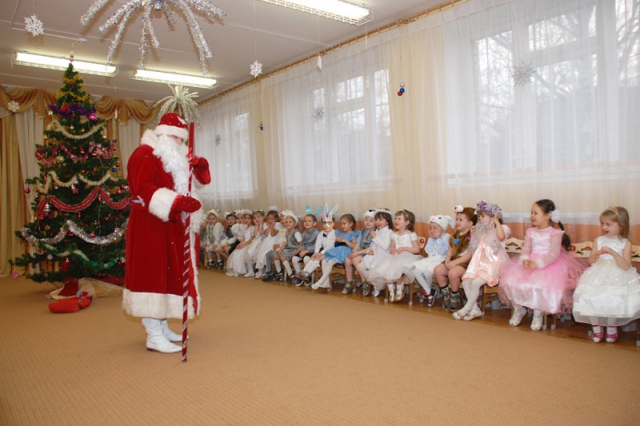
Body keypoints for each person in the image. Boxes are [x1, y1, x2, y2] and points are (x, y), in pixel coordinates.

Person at [123, 112, 211, 354]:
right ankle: (153, 334)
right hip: (149, 225)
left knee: (169, 273)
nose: (179, 143)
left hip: (171, 224)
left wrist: (199, 166)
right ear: (161, 133)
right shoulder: (144, 154)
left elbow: (195, 181)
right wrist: (177, 202)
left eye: (182, 139)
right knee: (153, 275)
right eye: (175, 137)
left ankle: (161, 327)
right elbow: (143, 188)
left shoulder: (174, 157)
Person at [499, 199, 585, 331]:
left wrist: (537, 264)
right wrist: (525, 260)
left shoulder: (555, 233)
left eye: (536, 213)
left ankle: (537, 314)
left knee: (538, 285)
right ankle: (519, 309)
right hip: (530, 262)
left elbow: (553, 255)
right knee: (510, 281)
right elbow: (526, 249)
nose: (532, 216)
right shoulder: (530, 232)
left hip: (549, 264)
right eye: (531, 212)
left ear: (547, 216)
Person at [572, 206, 640, 343]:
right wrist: (596, 254)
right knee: (588, 296)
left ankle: (611, 327)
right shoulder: (599, 240)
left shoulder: (625, 243)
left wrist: (614, 253)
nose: (604, 227)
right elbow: (590, 261)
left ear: (621, 225)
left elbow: (626, 266)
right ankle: (596, 327)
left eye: (608, 224)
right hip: (598, 273)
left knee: (612, 298)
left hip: (618, 274)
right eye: (603, 223)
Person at [452, 201, 511, 321]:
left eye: (482, 216)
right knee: (467, 281)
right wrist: (473, 235)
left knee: (476, 283)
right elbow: (474, 250)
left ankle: (466, 309)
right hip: (480, 263)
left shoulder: (503, 228)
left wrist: (496, 222)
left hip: (494, 264)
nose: (479, 219)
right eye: (479, 216)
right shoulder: (481, 231)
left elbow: (501, 237)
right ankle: (475, 309)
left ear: (493, 217)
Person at [366, 209, 422, 302]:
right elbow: (392, 247)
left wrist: (404, 248)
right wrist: (393, 250)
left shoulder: (411, 235)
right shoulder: (394, 235)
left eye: (399, 219)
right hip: (396, 256)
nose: (396, 221)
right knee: (385, 266)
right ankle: (391, 289)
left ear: (407, 222)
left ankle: (400, 288)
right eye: (395, 218)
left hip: (407, 257)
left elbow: (416, 249)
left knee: (397, 267)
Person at [433, 205, 477, 311]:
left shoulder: (473, 236)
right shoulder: (455, 234)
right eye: (457, 219)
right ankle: (446, 294)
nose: (457, 222)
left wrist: (455, 262)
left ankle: (455, 296)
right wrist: (448, 259)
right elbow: (450, 249)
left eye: (461, 220)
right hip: (454, 260)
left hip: (466, 263)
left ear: (470, 223)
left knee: (452, 273)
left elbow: (469, 255)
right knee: (437, 270)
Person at [404, 214, 454, 306]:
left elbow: (443, 252)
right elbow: (428, 251)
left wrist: (438, 239)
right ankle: (429, 292)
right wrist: (431, 239)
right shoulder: (432, 237)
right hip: (431, 259)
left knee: (427, 272)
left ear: (442, 229)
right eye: (430, 228)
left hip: (441, 260)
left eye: (435, 228)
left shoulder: (447, 237)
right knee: (415, 269)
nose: (432, 230)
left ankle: (429, 291)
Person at [311, 213, 359, 290]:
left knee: (329, 262)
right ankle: (326, 282)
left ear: (351, 224)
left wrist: (345, 241)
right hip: (337, 252)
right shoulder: (339, 233)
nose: (342, 225)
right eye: (341, 224)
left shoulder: (354, 234)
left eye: (344, 223)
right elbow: (333, 242)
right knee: (324, 260)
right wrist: (337, 239)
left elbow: (354, 246)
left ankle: (321, 281)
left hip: (346, 253)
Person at [295, 206, 338, 285]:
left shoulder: (334, 233)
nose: (326, 225)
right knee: (314, 257)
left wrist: (320, 253)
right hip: (323, 252)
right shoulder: (321, 233)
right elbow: (318, 243)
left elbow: (331, 246)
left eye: (329, 223)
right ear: (321, 224)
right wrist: (316, 252)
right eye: (324, 223)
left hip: (332, 252)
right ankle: (305, 272)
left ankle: (307, 272)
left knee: (318, 257)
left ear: (333, 224)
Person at [358, 208, 393, 297]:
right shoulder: (377, 231)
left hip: (383, 257)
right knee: (360, 267)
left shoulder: (389, 232)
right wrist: (370, 251)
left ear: (387, 221)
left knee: (375, 271)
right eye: (376, 219)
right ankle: (375, 285)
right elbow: (373, 245)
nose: (378, 222)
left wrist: (375, 237)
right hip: (374, 255)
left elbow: (385, 246)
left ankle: (378, 287)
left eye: (380, 219)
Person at [343, 209, 376, 294]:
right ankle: (350, 281)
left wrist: (357, 253)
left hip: (368, 253)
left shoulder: (376, 232)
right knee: (347, 260)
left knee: (355, 259)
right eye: (366, 220)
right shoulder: (363, 230)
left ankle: (364, 281)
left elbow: (372, 248)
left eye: (371, 221)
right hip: (360, 252)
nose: (367, 222)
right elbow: (358, 242)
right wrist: (354, 251)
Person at [262, 211, 302, 281]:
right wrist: (280, 248)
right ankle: (279, 272)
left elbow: (300, 243)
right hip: (287, 248)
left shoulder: (295, 232)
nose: (287, 223)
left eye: (290, 222)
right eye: (286, 222)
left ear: (295, 224)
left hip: (293, 249)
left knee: (280, 256)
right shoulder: (286, 231)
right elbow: (284, 241)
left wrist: (297, 252)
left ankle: (290, 274)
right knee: (272, 254)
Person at [292, 213, 320, 286]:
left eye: (309, 221)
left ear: (314, 223)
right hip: (305, 251)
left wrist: (306, 251)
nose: (306, 222)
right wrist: (301, 250)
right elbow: (302, 244)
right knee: (294, 258)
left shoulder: (316, 233)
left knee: (306, 259)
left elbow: (317, 245)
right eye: (305, 221)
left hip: (312, 252)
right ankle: (300, 276)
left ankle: (308, 276)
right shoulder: (305, 233)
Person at [254, 210, 281, 279]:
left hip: (272, 242)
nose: (270, 220)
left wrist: (272, 226)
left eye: (272, 219)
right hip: (266, 242)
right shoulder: (266, 225)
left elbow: (272, 234)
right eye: (268, 219)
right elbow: (265, 234)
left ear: (276, 219)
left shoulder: (277, 225)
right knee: (260, 254)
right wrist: (268, 226)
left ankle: (267, 270)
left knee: (265, 255)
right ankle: (260, 270)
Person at [226, 210, 254, 277]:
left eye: (248, 218)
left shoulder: (252, 228)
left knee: (242, 254)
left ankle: (248, 270)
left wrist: (244, 245)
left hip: (250, 244)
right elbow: (244, 238)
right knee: (236, 252)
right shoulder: (246, 228)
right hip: (244, 243)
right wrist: (240, 244)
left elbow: (251, 239)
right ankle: (235, 270)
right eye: (245, 218)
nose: (246, 220)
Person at [244, 210, 267, 277]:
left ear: (263, 217)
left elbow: (261, 233)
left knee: (258, 255)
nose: (257, 219)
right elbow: (255, 234)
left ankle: (260, 270)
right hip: (256, 242)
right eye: (255, 218)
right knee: (249, 253)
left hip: (262, 242)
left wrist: (260, 224)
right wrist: (257, 225)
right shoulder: (255, 226)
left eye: (258, 217)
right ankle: (251, 271)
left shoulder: (265, 225)